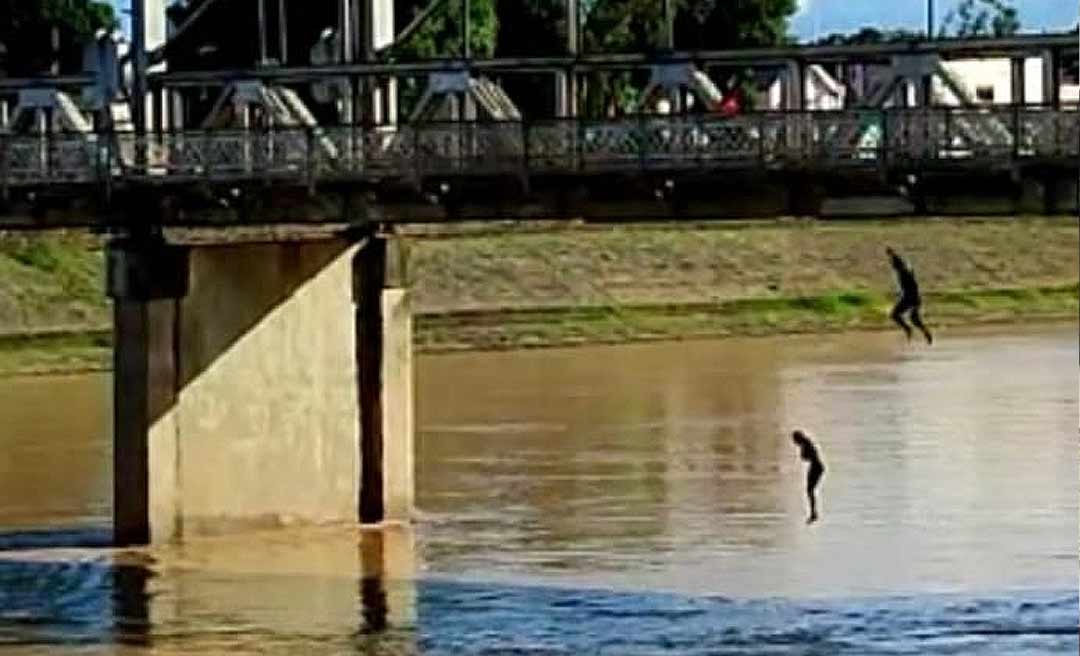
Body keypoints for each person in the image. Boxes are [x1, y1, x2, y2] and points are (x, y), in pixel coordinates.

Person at [886, 247, 933, 345]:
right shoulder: (906, 270)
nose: (892, 267)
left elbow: (897, 263)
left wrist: (892, 255)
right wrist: (892, 255)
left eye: (893, 265)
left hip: (909, 297)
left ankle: (908, 329)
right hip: (915, 297)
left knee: (894, 315)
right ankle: (926, 333)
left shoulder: (903, 271)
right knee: (914, 319)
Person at [792, 430, 825, 524]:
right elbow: (805, 457)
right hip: (815, 466)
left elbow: (806, 457)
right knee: (810, 490)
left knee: (810, 490)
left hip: (816, 467)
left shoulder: (806, 444)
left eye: (795, 440)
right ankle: (813, 512)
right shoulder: (806, 444)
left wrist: (802, 454)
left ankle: (814, 512)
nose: (794, 443)